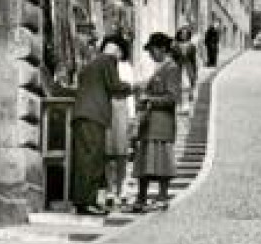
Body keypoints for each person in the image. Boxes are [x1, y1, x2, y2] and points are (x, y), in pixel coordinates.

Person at [69, 35, 132, 216]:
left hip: (81, 114)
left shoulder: (92, 63)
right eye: (121, 56)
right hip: (94, 115)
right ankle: (88, 202)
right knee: (93, 159)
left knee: (83, 159)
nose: (119, 60)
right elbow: (114, 86)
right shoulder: (108, 60)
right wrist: (131, 87)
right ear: (117, 51)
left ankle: (81, 201)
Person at [132, 32, 181, 213]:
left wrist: (149, 99)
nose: (151, 54)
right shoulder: (161, 67)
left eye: (152, 50)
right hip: (150, 122)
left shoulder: (172, 68)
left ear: (161, 49)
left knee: (161, 162)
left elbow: (172, 97)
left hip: (161, 123)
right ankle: (142, 198)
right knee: (144, 161)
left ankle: (161, 197)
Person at [104, 35, 138, 210]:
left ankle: (121, 187)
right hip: (106, 109)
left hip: (122, 109)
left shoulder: (126, 68)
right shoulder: (103, 66)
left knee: (122, 152)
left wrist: (132, 116)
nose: (112, 53)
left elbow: (130, 92)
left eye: (116, 50)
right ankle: (110, 189)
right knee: (108, 152)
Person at [175, 26, 199, 102]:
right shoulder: (175, 46)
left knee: (190, 81)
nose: (184, 36)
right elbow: (173, 58)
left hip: (188, 66)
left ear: (188, 35)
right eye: (182, 34)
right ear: (179, 35)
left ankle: (190, 94)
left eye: (185, 34)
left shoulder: (192, 46)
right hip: (178, 66)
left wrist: (195, 70)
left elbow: (193, 59)